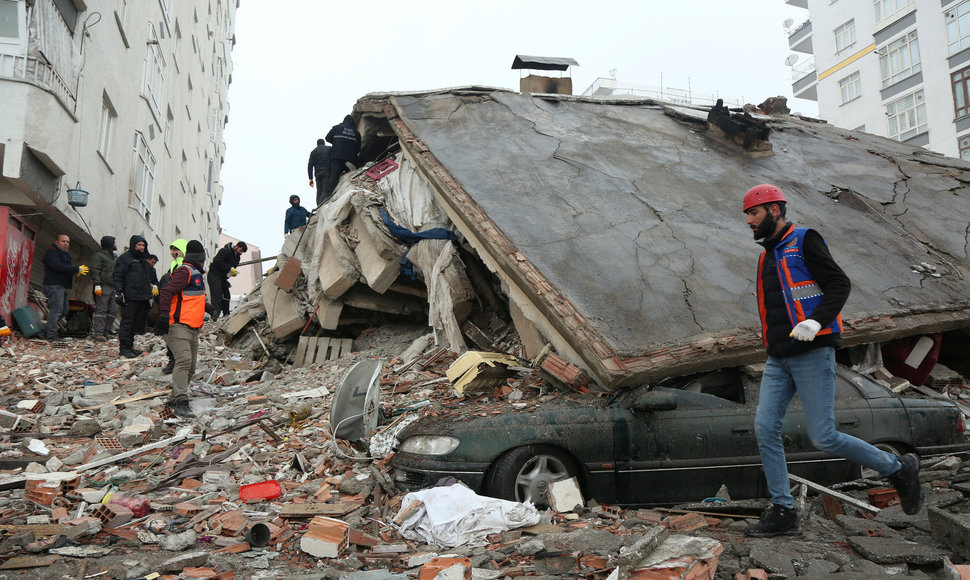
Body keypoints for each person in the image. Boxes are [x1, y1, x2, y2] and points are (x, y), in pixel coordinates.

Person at [741, 184, 924, 538]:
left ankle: (898, 467)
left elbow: (839, 284)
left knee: (823, 435)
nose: (748, 220)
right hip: (779, 358)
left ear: (774, 210)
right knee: (765, 428)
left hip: (812, 351)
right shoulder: (767, 255)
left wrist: (816, 321)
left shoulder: (805, 240)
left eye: (753, 212)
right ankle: (783, 511)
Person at [156, 240, 211, 418]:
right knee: (184, 361)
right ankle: (181, 401)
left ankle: (173, 399)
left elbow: (193, 298)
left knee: (191, 367)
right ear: (199, 260)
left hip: (192, 327)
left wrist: (210, 309)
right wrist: (164, 316)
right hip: (177, 325)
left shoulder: (196, 275)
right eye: (202, 260)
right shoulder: (184, 271)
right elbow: (166, 292)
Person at [42, 234, 88, 343]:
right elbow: (57, 266)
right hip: (54, 285)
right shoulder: (52, 252)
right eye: (63, 241)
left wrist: (75, 272)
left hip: (61, 286)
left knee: (64, 310)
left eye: (67, 242)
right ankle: (51, 335)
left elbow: (65, 268)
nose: (66, 244)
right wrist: (76, 269)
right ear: (57, 241)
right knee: (57, 310)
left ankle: (46, 331)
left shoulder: (65, 254)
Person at [113, 235, 153, 358]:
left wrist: (149, 295)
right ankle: (124, 349)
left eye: (143, 245)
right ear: (133, 245)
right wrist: (119, 291)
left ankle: (130, 347)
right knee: (127, 323)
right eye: (139, 245)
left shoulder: (144, 261)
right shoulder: (125, 258)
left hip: (142, 297)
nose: (141, 247)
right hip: (130, 297)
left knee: (136, 324)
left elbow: (146, 278)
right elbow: (118, 275)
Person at [158, 239, 187, 375]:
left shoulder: (185, 267)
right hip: (172, 307)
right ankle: (173, 360)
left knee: (179, 336)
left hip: (182, 308)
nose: (173, 253)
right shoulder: (173, 266)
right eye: (172, 250)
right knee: (170, 334)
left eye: (177, 250)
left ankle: (178, 362)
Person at [207, 240, 246, 321]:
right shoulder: (225, 251)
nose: (241, 253)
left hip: (223, 277)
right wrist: (229, 268)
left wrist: (231, 273)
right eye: (241, 250)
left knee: (226, 295)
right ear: (236, 246)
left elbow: (232, 267)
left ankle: (226, 315)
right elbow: (217, 262)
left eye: (242, 252)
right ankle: (215, 316)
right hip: (214, 274)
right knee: (216, 295)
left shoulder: (237, 257)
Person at [325, 115, 361, 196]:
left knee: (333, 180)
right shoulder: (356, 133)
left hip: (337, 158)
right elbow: (359, 149)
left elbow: (327, 138)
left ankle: (327, 198)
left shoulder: (337, 128)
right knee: (352, 179)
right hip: (350, 160)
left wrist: (336, 142)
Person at [90, 235, 117, 341]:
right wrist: (97, 283)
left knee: (112, 310)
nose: (116, 244)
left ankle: (107, 331)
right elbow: (95, 270)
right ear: (110, 244)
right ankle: (98, 333)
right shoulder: (98, 256)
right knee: (101, 310)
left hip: (113, 286)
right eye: (114, 242)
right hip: (103, 285)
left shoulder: (114, 257)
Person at [308, 138, 332, 207]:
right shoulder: (329, 149)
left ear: (317, 144)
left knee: (319, 191)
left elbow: (310, 166)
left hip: (318, 173)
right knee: (325, 189)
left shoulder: (313, 152)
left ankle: (318, 206)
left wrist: (310, 178)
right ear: (324, 143)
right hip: (327, 171)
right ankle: (321, 205)